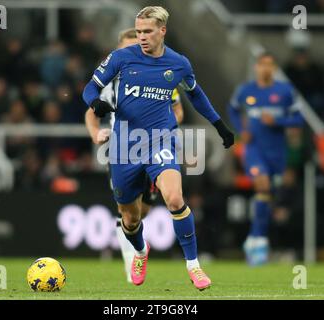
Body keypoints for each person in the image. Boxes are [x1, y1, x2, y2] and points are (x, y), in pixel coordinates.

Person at [82, 6, 234, 290]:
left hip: (160, 142)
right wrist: (96, 103)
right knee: (130, 218)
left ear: (162, 30)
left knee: (175, 199)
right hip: (125, 145)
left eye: (147, 31)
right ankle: (140, 251)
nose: (141, 37)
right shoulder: (121, 58)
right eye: (138, 31)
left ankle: (194, 266)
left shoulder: (178, 64)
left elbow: (196, 95)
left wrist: (218, 124)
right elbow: (89, 88)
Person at [84, 27, 184, 283]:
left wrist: (165, 124)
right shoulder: (111, 82)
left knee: (144, 211)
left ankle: (137, 251)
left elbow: (178, 109)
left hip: (152, 146)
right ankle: (132, 263)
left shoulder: (158, 75)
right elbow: (91, 110)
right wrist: (96, 133)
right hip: (122, 147)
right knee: (126, 211)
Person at [228, 52, 303, 266]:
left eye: (270, 65)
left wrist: (278, 120)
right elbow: (232, 109)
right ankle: (260, 241)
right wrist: (242, 129)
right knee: (262, 184)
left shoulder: (285, 91)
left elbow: (299, 119)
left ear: (275, 68)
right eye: (262, 65)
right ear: (256, 67)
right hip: (254, 150)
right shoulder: (245, 91)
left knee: (267, 195)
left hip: (277, 152)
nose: (265, 69)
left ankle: (254, 238)